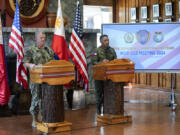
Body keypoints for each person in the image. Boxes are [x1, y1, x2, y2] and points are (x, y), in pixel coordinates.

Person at [23, 31, 54, 127]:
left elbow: (52, 62)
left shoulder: (48, 50)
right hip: (36, 79)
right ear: (35, 39)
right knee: (36, 99)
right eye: (41, 38)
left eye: (44, 38)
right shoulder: (30, 50)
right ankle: (34, 119)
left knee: (45, 99)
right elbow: (25, 63)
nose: (43, 39)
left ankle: (44, 117)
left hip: (47, 79)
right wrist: (31, 65)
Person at [92, 34, 117, 115]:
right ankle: (99, 112)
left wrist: (111, 63)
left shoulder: (112, 50)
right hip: (99, 77)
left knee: (108, 94)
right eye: (105, 40)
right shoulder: (96, 51)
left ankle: (107, 111)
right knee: (99, 94)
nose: (107, 42)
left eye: (108, 40)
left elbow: (115, 61)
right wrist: (101, 63)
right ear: (101, 41)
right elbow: (93, 62)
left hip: (109, 77)